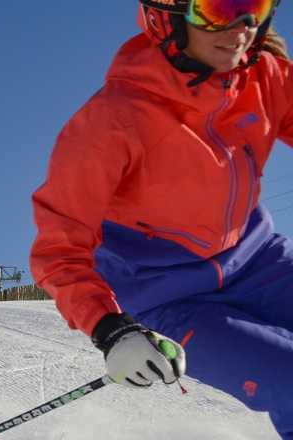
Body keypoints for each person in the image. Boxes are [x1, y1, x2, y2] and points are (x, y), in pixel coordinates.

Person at [30, 0, 293, 437]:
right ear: (165, 15)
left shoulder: (263, 76)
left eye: (254, 6)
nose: (242, 27)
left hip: (258, 262)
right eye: (218, 9)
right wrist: (109, 329)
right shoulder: (113, 119)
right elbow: (59, 247)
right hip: (168, 298)